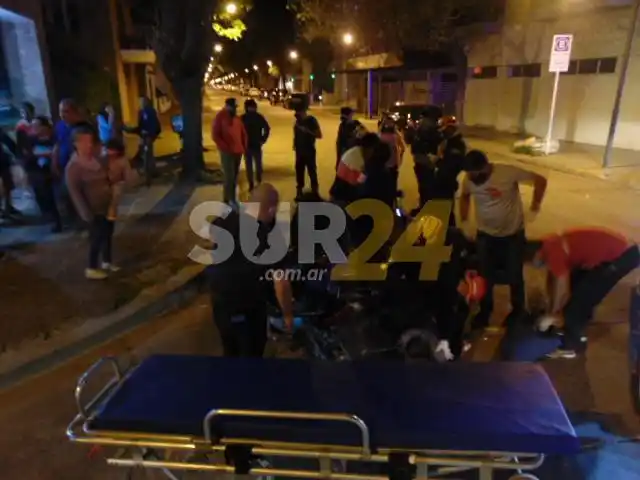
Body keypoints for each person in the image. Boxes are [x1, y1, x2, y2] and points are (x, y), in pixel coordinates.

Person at [460, 150, 548, 330]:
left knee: (514, 275)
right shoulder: (469, 180)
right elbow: (465, 196)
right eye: (470, 174)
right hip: (485, 235)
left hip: (512, 235)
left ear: (485, 167)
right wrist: (464, 220)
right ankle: (485, 311)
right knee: (485, 275)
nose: (472, 178)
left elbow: (540, 180)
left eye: (476, 174)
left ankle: (518, 312)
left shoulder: (507, 173)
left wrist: (535, 207)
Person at [206, 183, 294, 357]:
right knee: (251, 356)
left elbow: (212, 234)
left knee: (229, 350)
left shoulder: (224, 220)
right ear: (271, 210)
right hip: (247, 307)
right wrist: (288, 316)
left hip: (220, 304)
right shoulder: (270, 240)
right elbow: (281, 283)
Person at [528, 228, 640, 359]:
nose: (534, 266)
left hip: (621, 258)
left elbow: (563, 291)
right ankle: (577, 324)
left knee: (579, 302)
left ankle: (571, 346)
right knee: (577, 286)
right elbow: (553, 279)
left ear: (536, 254)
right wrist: (552, 309)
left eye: (532, 262)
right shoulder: (549, 244)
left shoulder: (553, 254)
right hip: (619, 251)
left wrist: (553, 315)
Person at [65, 125, 114, 280]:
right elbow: (75, 193)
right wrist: (86, 214)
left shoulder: (96, 160)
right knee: (96, 238)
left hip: (106, 206)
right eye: (85, 142)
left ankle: (107, 262)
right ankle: (92, 267)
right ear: (76, 144)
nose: (89, 145)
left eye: (90, 141)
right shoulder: (74, 167)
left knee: (107, 234)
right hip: (93, 211)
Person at [25, 116, 62, 232]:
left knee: (55, 198)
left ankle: (58, 221)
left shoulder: (55, 138)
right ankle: (50, 218)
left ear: (45, 127)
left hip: (53, 173)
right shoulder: (31, 140)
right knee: (43, 197)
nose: (34, 128)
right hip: (38, 174)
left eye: (37, 126)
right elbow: (27, 157)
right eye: (33, 126)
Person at [52, 98, 83, 228]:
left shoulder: (82, 127)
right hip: (64, 166)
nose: (62, 115)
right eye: (61, 112)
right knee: (65, 195)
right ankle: (74, 221)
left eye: (66, 111)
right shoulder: (60, 126)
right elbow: (57, 144)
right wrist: (54, 160)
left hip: (78, 167)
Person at [212, 98, 247, 206]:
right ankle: (228, 199)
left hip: (238, 151)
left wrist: (244, 146)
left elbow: (243, 133)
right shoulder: (220, 117)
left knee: (234, 176)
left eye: (235, 107)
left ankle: (231, 198)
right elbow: (215, 135)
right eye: (232, 107)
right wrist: (224, 147)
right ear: (227, 106)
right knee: (229, 176)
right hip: (227, 152)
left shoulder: (236, 118)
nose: (234, 109)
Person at [432, 115, 466, 224]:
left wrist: (437, 161)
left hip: (447, 180)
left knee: (446, 206)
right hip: (444, 179)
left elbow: (453, 164)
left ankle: (448, 227)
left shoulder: (456, 144)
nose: (443, 132)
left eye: (446, 129)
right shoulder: (449, 141)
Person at [330, 132, 380, 205]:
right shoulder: (356, 159)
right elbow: (359, 183)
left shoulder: (357, 151)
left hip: (342, 192)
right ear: (369, 148)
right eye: (374, 150)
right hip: (342, 197)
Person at [411, 110, 442, 207]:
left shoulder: (424, 129)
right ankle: (424, 205)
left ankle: (425, 206)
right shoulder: (429, 129)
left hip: (424, 161)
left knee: (426, 188)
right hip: (425, 161)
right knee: (426, 188)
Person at [241, 98, 270, 191]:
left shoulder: (257, 117)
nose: (252, 109)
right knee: (251, 165)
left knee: (256, 165)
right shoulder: (244, 118)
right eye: (251, 107)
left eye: (253, 107)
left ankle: (256, 182)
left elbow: (267, 128)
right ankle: (252, 183)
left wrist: (263, 139)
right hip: (249, 145)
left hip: (255, 145)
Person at [293, 106, 322, 199]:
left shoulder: (312, 121)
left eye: (299, 114)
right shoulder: (297, 122)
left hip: (309, 151)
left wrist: (307, 131)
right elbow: (296, 135)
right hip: (299, 152)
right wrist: (294, 144)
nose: (297, 116)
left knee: (312, 171)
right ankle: (299, 192)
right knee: (299, 172)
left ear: (304, 112)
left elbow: (319, 135)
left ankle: (315, 191)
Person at [378, 115, 405, 192]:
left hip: (382, 164)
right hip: (393, 164)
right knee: (392, 184)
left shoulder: (379, 136)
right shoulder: (396, 136)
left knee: (383, 185)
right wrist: (400, 158)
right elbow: (403, 148)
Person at [0, 127, 18, 219]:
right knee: (7, 186)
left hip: (3, 162)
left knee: (7, 186)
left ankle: (7, 207)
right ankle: (7, 208)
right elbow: (10, 144)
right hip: (3, 162)